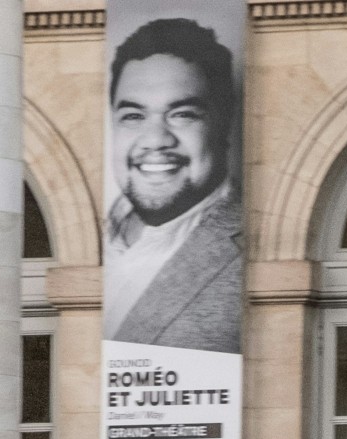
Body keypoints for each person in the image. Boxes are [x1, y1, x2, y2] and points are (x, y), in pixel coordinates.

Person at [104, 17, 243, 353]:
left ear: (222, 125)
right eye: (134, 116)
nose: (155, 140)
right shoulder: (95, 238)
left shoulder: (247, 246)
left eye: (182, 114)